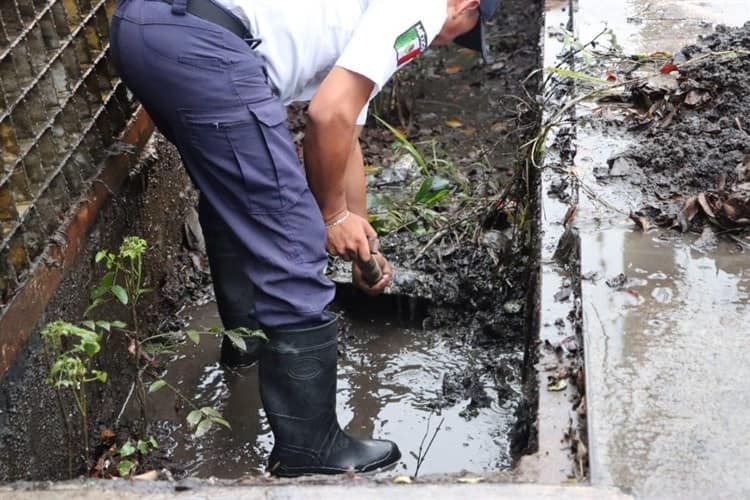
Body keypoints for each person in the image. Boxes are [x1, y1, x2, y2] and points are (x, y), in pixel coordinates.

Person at [110, 0, 498, 477]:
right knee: (293, 233)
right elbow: (326, 116)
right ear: (466, 4)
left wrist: (360, 237)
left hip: (147, 26)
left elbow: (347, 132)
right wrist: (331, 217)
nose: (448, 42)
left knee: (239, 199)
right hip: (199, 42)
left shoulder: (374, 15)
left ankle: (246, 347)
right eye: (463, 31)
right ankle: (309, 447)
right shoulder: (419, 9)